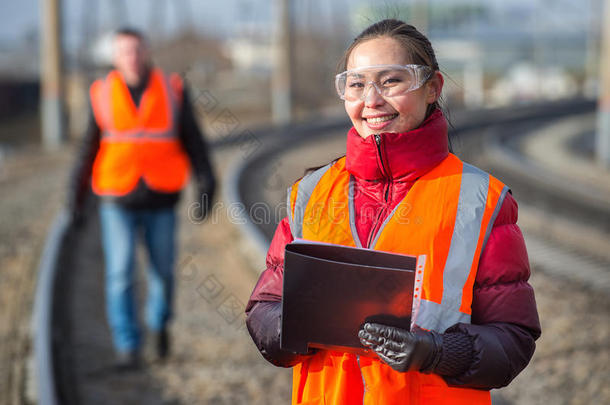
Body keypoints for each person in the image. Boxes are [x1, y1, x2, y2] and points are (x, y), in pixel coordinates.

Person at [245, 19, 540, 404]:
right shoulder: (310, 194)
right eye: (356, 84)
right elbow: (263, 311)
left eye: (390, 81)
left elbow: (513, 340)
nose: (371, 100)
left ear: (432, 88)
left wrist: (435, 352)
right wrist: (294, 324)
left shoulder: (481, 200)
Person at [68, 27, 216, 369]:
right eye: (124, 52)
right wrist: (74, 197)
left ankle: (159, 325)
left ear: (147, 52)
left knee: (162, 272)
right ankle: (128, 346)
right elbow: (87, 148)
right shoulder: (102, 93)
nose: (132, 57)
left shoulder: (173, 89)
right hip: (116, 197)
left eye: (137, 50)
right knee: (120, 273)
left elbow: (194, 140)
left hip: (162, 196)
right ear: (116, 57)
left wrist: (207, 181)